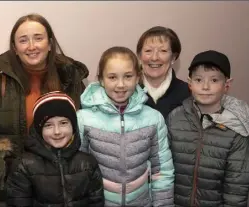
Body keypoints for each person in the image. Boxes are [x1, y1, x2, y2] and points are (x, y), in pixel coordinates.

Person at [77, 46, 174, 206]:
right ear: (101, 79)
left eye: (128, 76)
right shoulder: (84, 119)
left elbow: (162, 171)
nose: (121, 84)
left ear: (138, 78)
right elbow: (77, 173)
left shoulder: (153, 118)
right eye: (112, 77)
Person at [0, 13, 89, 157]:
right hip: (15, 175)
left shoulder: (70, 78)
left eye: (38, 38)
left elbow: (85, 131)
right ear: (14, 48)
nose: (31, 46)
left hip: (63, 173)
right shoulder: (0, 83)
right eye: (23, 40)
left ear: (50, 44)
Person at [167, 50, 249, 207]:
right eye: (198, 80)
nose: (205, 86)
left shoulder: (237, 128)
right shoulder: (175, 118)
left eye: (214, 80)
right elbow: (163, 170)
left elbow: (237, 187)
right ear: (190, 83)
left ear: (227, 85)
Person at [6, 91, 104, 206]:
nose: (57, 131)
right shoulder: (23, 166)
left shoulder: (88, 163)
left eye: (63, 123)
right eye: (48, 125)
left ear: (73, 126)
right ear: (38, 130)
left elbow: (96, 203)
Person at [137, 26, 190, 118]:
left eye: (163, 51)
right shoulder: (127, 91)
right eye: (148, 51)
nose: (154, 58)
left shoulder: (188, 93)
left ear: (173, 57)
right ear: (140, 56)